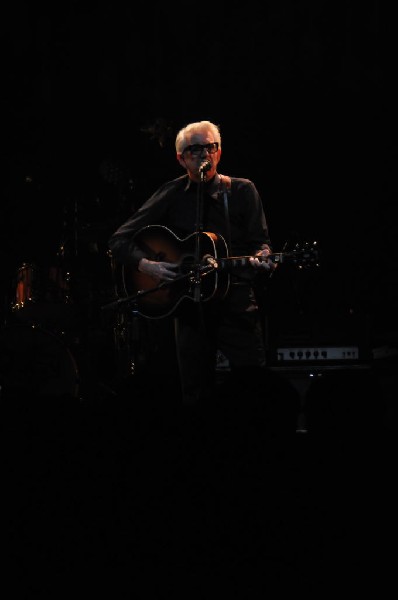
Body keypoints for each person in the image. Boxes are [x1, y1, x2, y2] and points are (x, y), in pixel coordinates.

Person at [108, 120, 276, 408]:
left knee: (253, 386)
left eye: (211, 147)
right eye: (195, 150)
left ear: (219, 152)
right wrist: (148, 265)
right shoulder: (172, 193)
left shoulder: (242, 191)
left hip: (235, 301)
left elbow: (261, 243)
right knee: (196, 394)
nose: (205, 155)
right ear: (181, 158)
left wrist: (263, 257)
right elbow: (119, 240)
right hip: (189, 305)